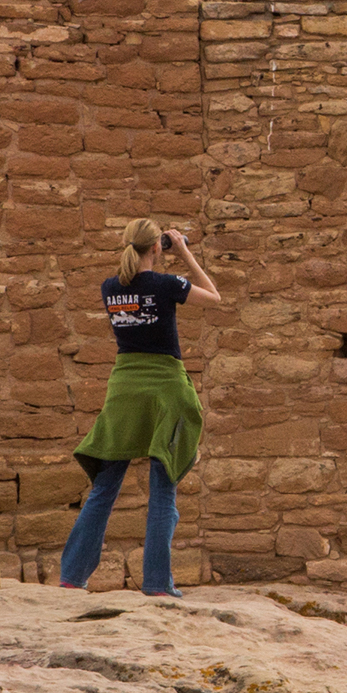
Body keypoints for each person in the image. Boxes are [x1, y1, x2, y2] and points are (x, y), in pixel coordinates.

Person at [63, 217, 219, 596]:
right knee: (163, 487)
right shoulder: (166, 284)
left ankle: (72, 577)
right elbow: (213, 297)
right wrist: (183, 250)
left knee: (104, 487)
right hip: (165, 390)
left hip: (124, 389)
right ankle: (157, 585)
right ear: (156, 248)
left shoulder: (110, 288)